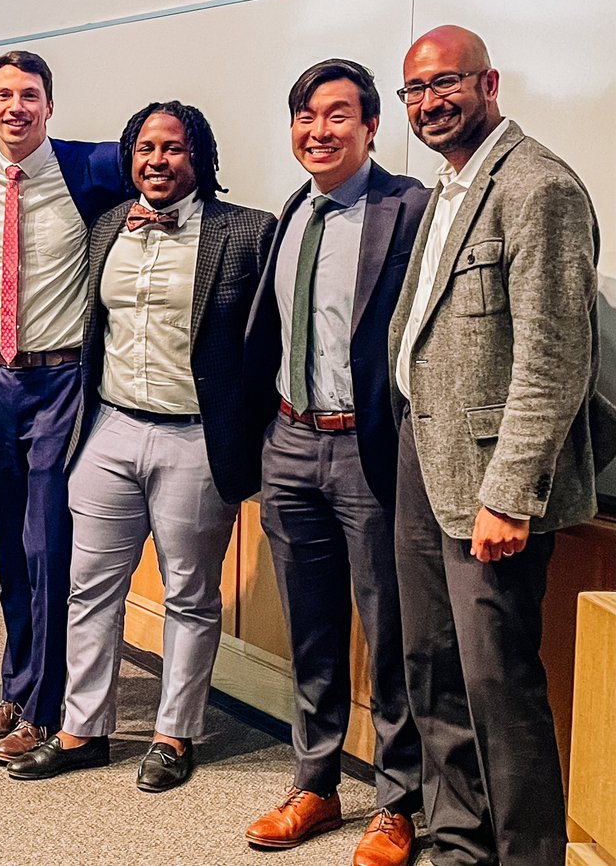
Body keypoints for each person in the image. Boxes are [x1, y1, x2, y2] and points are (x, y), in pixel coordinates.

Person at [5, 101, 275, 790]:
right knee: (88, 589)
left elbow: (266, 345)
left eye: (174, 148)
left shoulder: (246, 233)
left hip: (195, 438)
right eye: (145, 148)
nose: (158, 160)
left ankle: (174, 735)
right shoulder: (106, 229)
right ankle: (82, 730)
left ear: (199, 157)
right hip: (110, 430)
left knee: (188, 594)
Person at [390, 25, 605, 866]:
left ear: (490, 83)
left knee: (497, 685)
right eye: (415, 90)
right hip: (422, 456)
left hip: (488, 481)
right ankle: (457, 845)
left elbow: (556, 360)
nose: (430, 103)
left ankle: (527, 856)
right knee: (433, 666)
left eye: (446, 84)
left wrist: (509, 493)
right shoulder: (448, 188)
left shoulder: (537, 186)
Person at [243, 59, 428, 864]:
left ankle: (399, 802)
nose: (318, 131)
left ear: (371, 126)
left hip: (370, 449)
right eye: (305, 117)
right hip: (289, 443)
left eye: (337, 116)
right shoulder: (293, 212)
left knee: (392, 633)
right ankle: (315, 782)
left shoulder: (409, 210)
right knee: (310, 629)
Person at [0, 51, 126, 761]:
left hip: (63, 384)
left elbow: (168, 165)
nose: (16, 107)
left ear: (50, 105)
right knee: (9, 548)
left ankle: (47, 707)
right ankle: (19, 690)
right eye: (3, 95)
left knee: (48, 545)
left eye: (30, 95)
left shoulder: (90, 167)